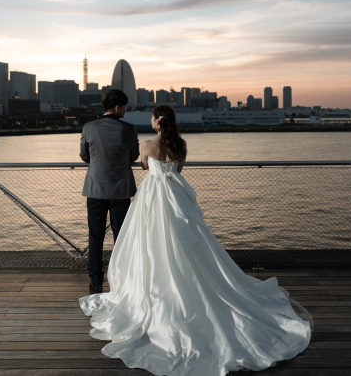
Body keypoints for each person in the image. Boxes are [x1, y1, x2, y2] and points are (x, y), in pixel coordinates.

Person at [80, 105, 312, 376]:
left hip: (153, 198)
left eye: (153, 117)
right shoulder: (181, 145)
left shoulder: (146, 145)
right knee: (189, 244)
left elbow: (145, 167)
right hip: (177, 198)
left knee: (150, 244)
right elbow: (177, 170)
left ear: (156, 121)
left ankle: (156, 284)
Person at [80, 88, 140, 294]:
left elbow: (84, 156)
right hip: (120, 191)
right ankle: (121, 279)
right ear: (117, 107)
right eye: (125, 106)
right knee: (121, 237)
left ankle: (95, 282)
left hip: (95, 188)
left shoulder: (89, 127)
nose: (125, 110)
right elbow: (134, 155)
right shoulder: (128, 129)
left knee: (95, 236)